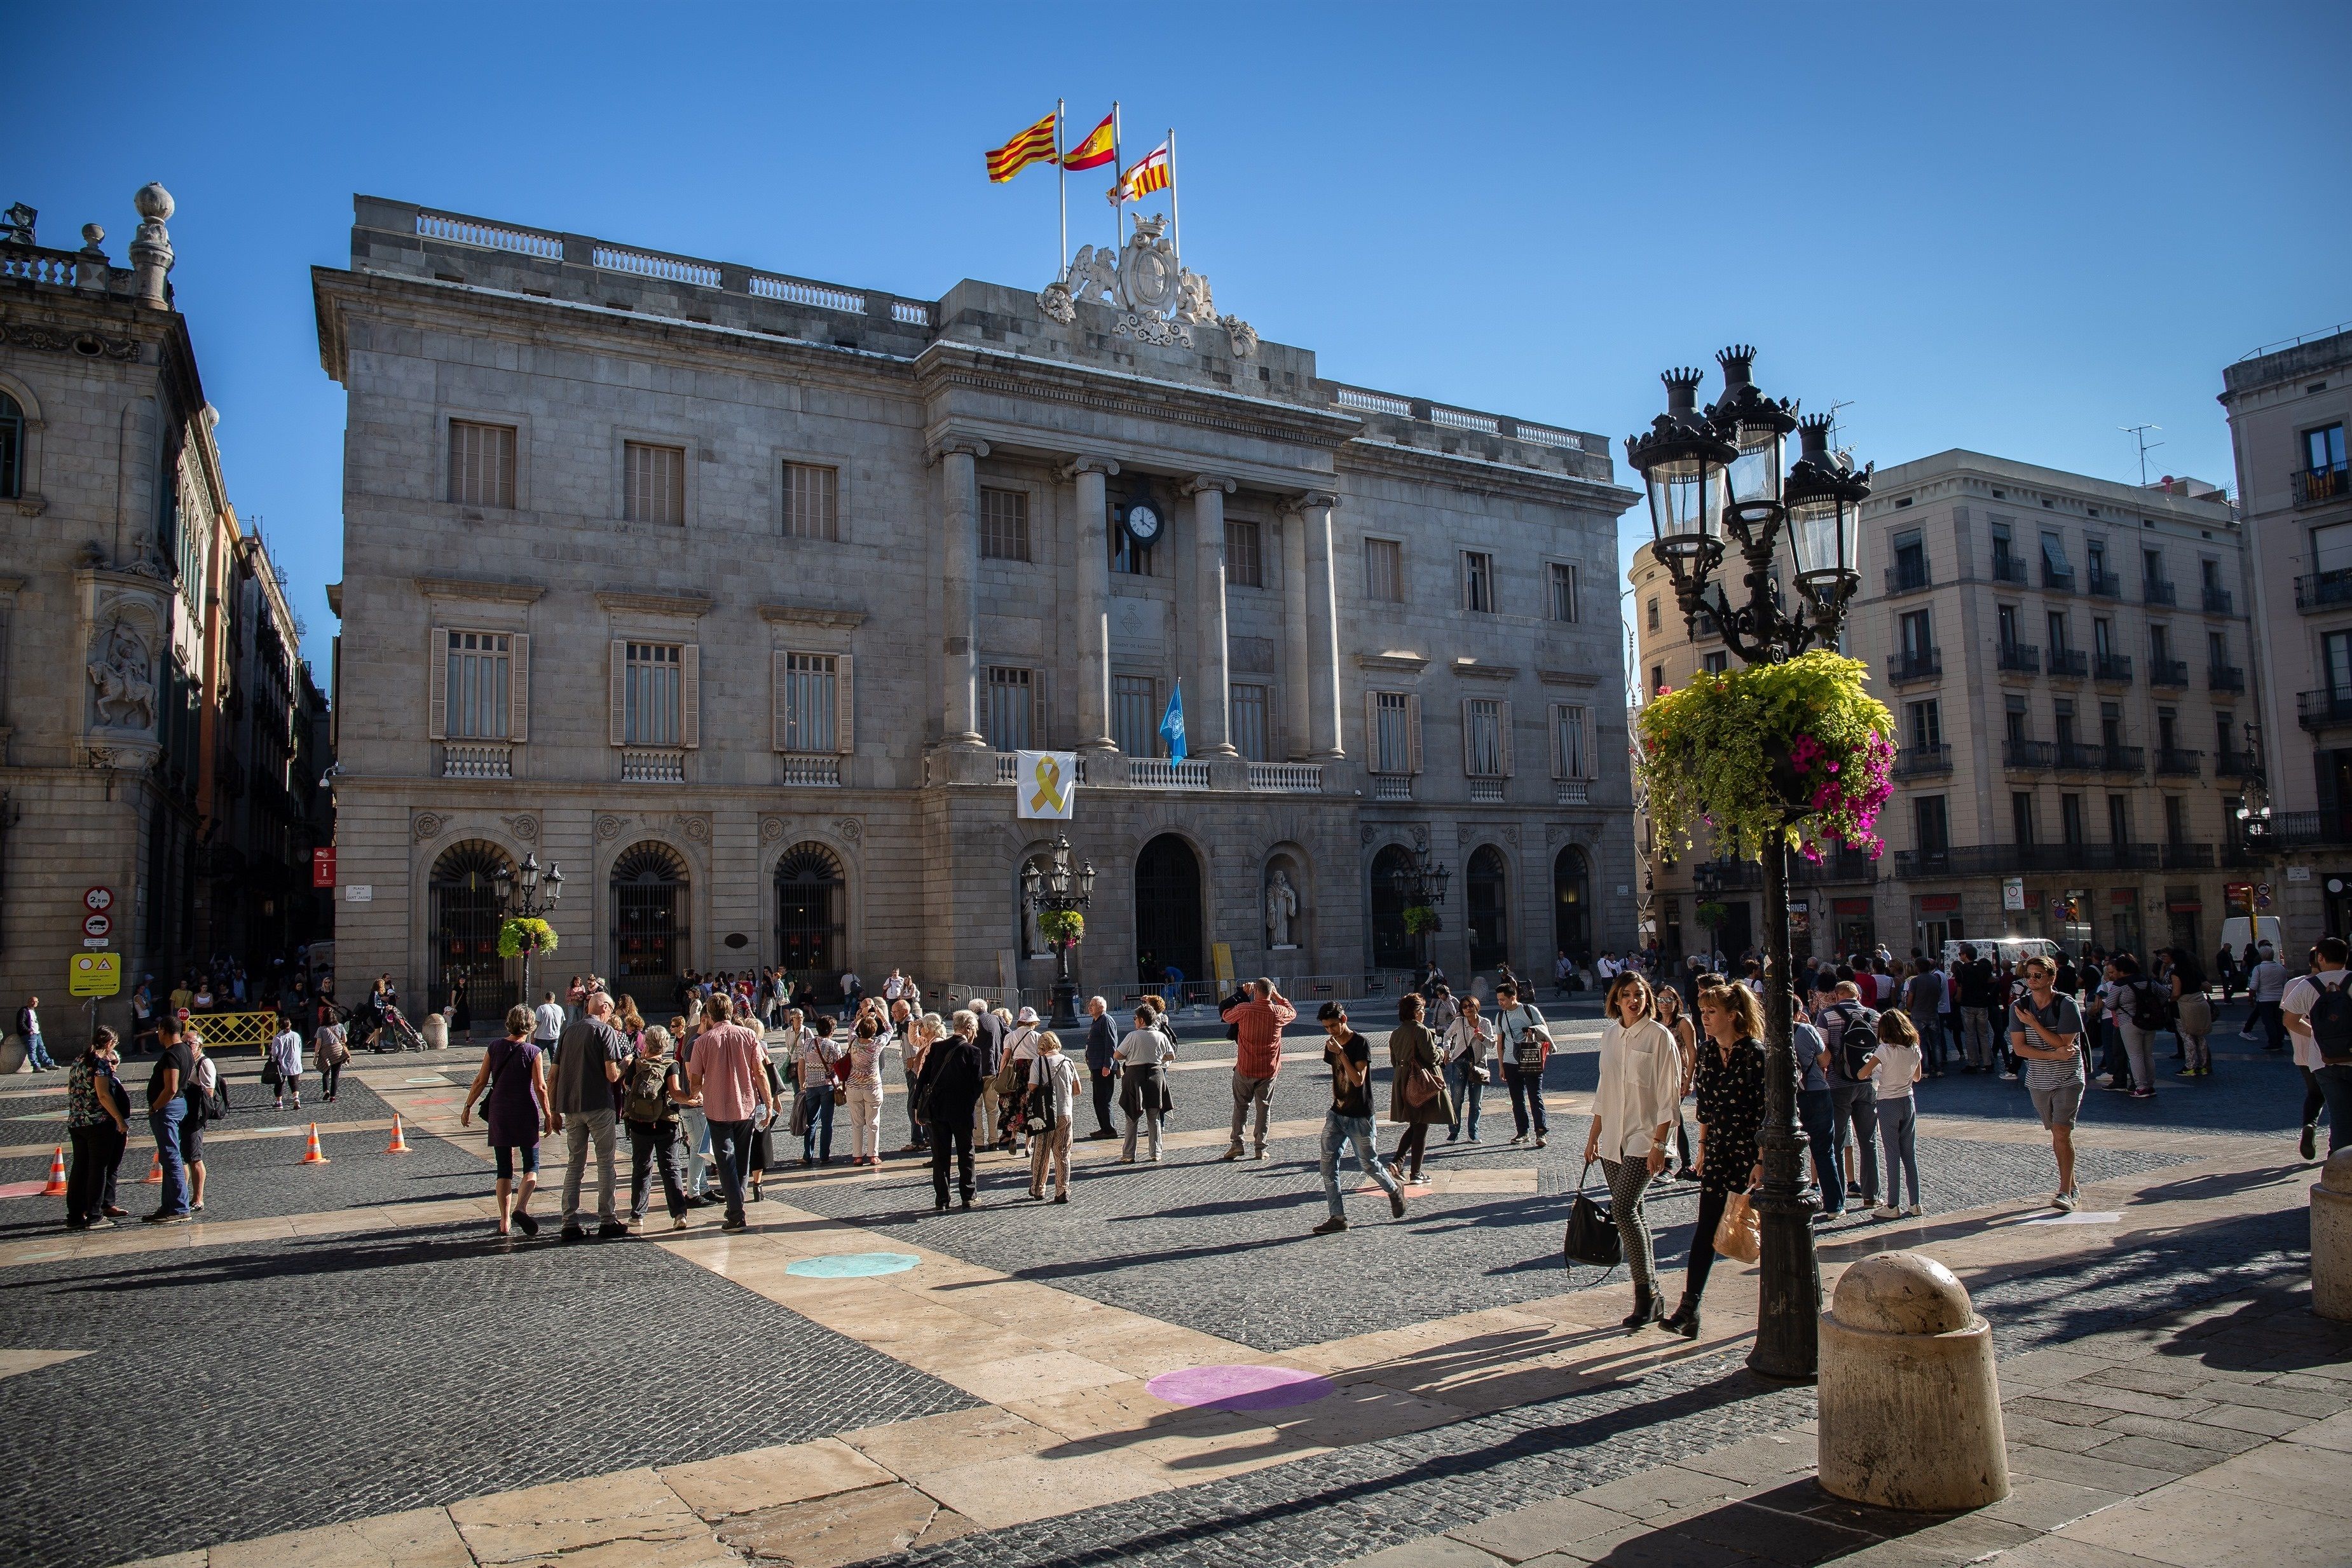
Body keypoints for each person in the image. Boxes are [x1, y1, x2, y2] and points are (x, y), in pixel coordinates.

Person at [1658, 984, 1767, 1339]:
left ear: (1732, 1015)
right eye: (1702, 1012)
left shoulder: (1755, 1054)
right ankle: (1690, 1308)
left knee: (1762, 1231)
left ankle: (1785, 1304)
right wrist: (1702, 1147)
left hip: (1750, 1153)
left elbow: (1768, 1110)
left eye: (1711, 1013)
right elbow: (1704, 1103)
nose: (1704, 1019)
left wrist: (1762, 1158)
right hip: (1720, 1150)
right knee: (1706, 1229)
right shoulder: (1706, 1052)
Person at [1584, 973, 1683, 1329]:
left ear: (1647, 999)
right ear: (1616, 998)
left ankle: (1645, 1295)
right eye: (1625, 994)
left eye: (1639, 994)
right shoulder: (1611, 1034)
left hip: (1645, 1137)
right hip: (1613, 1134)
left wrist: (1660, 1144)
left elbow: (1669, 1096)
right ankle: (1652, 1294)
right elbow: (1603, 1087)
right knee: (1634, 1212)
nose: (1633, 1000)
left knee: (1623, 1208)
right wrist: (1594, 1135)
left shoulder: (1660, 1037)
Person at [1311, 1002, 1407, 1234]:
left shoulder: (1360, 1043)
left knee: (1369, 1164)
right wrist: (1335, 1052)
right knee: (1327, 1167)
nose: (1331, 1031)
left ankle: (1394, 1189)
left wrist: (1341, 1054)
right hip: (1337, 1114)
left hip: (1360, 1117)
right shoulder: (1331, 1046)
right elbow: (1338, 1078)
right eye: (1326, 1027)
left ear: (1344, 1019)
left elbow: (1357, 1080)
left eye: (1334, 1025)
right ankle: (1338, 1217)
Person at [461, 1004, 553, 1236]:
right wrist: (549, 1115)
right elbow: (541, 1087)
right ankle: (521, 1208)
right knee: (531, 1165)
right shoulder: (533, 1052)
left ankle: (504, 1222)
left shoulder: (494, 1047)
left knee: (504, 1169)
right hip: (525, 1111)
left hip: (499, 1111)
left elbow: (480, 1081)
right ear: (531, 1026)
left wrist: (468, 1106)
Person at [686, 992, 774, 1232]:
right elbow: (760, 1073)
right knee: (742, 1162)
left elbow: (694, 1083)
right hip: (745, 1106)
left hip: (716, 1109)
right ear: (731, 1012)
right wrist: (768, 1104)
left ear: (709, 1015)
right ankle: (736, 1209)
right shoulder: (748, 1035)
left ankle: (736, 1213)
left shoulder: (701, 1042)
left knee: (725, 1162)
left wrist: (702, 1088)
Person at [2009, 955, 2088, 1211]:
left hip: (2068, 1078)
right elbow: (2020, 1049)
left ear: (2052, 977)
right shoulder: (2019, 1006)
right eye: (2028, 975)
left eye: (2037, 976)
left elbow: (2065, 1043)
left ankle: (2065, 1192)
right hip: (2038, 1080)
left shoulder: (2066, 1004)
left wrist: (2033, 1024)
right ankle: (2072, 1185)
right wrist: (2053, 1053)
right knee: (2056, 1133)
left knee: (2063, 1132)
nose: (2031, 980)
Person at [552, 992, 632, 1240]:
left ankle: (569, 1222)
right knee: (605, 1163)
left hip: (572, 1108)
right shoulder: (605, 1031)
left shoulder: (568, 1032)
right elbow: (611, 1075)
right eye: (611, 1009)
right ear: (605, 1008)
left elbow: (553, 1074)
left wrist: (552, 1110)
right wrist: (626, 1064)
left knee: (575, 1164)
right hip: (599, 1105)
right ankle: (607, 1220)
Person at [2283, 937, 2352, 1157]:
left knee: (2339, 1115)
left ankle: (2338, 1164)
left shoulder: (2307, 986)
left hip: (2323, 1060)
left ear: (2320, 958)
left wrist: (2316, 1034)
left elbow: (2290, 1021)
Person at [621, 1023, 694, 1230]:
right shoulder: (671, 1065)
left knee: (641, 1168)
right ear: (665, 1044)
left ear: (647, 1043)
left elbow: (627, 1086)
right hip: (666, 1123)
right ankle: (679, 1214)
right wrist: (691, 1100)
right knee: (671, 1167)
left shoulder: (637, 1065)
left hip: (640, 1124)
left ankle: (637, 1215)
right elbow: (676, 1092)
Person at [1816, 981, 1880, 1211]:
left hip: (1837, 1083)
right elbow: (1881, 1050)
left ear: (1837, 996)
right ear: (1858, 996)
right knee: (1868, 1141)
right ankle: (1871, 1196)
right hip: (1866, 1082)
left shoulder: (1827, 1015)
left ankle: (1838, 1198)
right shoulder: (1874, 1016)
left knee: (1836, 1142)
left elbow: (1822, 1051)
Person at [1220, 978, 1297, 1161]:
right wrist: (1278, 997)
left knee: (1241, 1106)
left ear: (1256, 991)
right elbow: (1293, 1013)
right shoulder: (1278, 1012)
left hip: (1246, 1067)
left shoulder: (1245, 1009)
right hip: (1268, 1069)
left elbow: (1226, 1015)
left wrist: (1243, 995)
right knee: (1264, 1108)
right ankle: (1260, 1148)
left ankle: (1237, 1144)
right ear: (1271, 992)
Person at [917, 1010, 985, 1211]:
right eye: (976, 1030)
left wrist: (917, 1107)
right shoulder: (972, 1051)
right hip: (962, 1112)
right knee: (966, 1153)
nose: (976, 1034)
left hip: (938, 1110)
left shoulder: (937, 1047)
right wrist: (969, 1103)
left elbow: (922, 1079)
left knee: (940, 1156)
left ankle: (942, 1199)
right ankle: (968, 1196)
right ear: (969, 1028)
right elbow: (977, 1085)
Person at [65, 1027, 130, 1229]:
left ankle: (75, 1215)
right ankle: (95, 1215)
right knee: (97, 1168)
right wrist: (119, 1119)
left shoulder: (78, 1061)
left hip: (77, 1121)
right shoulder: (100, 1063)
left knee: (79, 1168)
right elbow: (103, 1095)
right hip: (97, 1122)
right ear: (110, 1043)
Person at [1385, 993, 1453, 1184]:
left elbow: (1393, 1061)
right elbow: (1432, 1057)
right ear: (1415, 1012)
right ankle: (1415, 1172)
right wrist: (1441, 1051)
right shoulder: (1421, 1030)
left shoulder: (1396, 1033)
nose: (1424, 1014)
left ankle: (1399, 1162)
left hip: (1403, 1080)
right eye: (1422, 1010)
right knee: (1421, 1126)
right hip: (1420, 1082)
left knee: (1416, 1124)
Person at [1866, 1009, 1925, 1220]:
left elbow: (1862, 1073)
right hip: (1908, 1101)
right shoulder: (1914, 1048)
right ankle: (1915, 1203)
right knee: (1909, 1154)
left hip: (1887, 1102)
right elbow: (1917, 1077)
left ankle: (1892, 1205)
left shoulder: (1884, 1050)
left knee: (1892, 1153)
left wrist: (1876, 1070)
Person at [1796, 983, 1840, 1220]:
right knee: (1824, 1151)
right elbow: (1825, 1060)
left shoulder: (1766, 1032)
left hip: (1789, 1098)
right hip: (1816, 1092)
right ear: (1797, 1012)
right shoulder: (1806, 1030)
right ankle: (1834, 1205)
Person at [1493, 981, 1552, 1149]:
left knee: (1535, 1096)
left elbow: (1544, 1029)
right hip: (1510, 1061)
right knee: (1517, 1099)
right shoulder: (1500, 1016)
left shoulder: (1529, 1010)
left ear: (1513, 997)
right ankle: (1523, 1132)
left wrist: (1533, 1029)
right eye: (1498, 1000)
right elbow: (1500, 1043)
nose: (1500, 1003)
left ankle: (1540, 1132)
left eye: (1503, 999)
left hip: (1531, 1058)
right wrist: (1501, 1065)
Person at [1116, 1005, 1175, 1163]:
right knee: (1154, 1118)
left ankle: (1129, 1154)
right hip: (1156, 1076)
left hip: (1134, 1076)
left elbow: (1118, 1055)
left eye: (1135, 1018)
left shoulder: (1133, 1036)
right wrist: (1156, 1059)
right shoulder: (1160, 1036)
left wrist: (1134, 1056)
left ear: (1141, 1020)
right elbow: (1171, 1056)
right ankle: (1156, 1152)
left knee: (1131, 1117)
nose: (1134, 1021)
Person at [1026, 1030, 1079, 1203]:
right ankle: (1062, 1190)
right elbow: (1077, 1089)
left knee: (1041, 1152)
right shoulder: (1068, 1061)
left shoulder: (1038, 1062)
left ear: (1042, 1046)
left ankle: (1038, 1188)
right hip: (1065, 1112)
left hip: (1045, 1115)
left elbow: (1033, 1086)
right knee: (1062, 1152)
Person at [1655, 985, 1701, 1179]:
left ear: (1676, 1002)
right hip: (1658, 1076)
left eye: (1669, 1000)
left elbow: (1692, 1051)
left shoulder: (1683, 1023)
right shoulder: (1654, 1022)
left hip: (1677, 1075)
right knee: (1671, 1117)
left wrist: (1689, 1078)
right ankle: (1675, 1162)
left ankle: (1674, 1164)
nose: (1665, 1004)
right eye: (1661, 1000)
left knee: (1673, 1117)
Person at [2109, 953, 2166, 1101]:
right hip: (2148, 1021)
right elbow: (2166, 994)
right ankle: (2150, 1085)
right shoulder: (2147, 981)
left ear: (2121, 969)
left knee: (2135, 1056)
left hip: (2128, 1022)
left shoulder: (2119, 985)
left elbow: (2110, 1004)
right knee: (2148, 1055)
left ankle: (2141, 1087)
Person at [1442, 992, 1495, 1144]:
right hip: (1460, 1063)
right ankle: (1453, 1131)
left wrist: (1483, 1038)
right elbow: (1447, 1036)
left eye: (1470, 1005)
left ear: (1476, 1006)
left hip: (1478, 1065)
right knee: (1456, 1099)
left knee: (1476, 1101)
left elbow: (1492, 1044)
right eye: (1464, 1007)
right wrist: (1447, 1050)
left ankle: (1473, 1132)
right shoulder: (1459, 1022)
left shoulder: (1485, 1023)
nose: (1468, 1009)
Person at [790, 1015, 842, 1167]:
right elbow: (838, 1068)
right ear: (832, 1031)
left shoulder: (807, 1044)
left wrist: (802, 1084)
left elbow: (800, 1066)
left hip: (811, 1086)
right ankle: (824, 1156)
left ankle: (808, 1155)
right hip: (828, 1086)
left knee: (811, 1122)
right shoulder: (834, 1046)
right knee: (827, 1123)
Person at [843, 1016, 891, 1166]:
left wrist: (858, 1018)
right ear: (874, 1031)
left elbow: (850, 1028)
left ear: (860, 1030)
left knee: (857, 1123)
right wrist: (881, 1016)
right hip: (872, 1087)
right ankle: (873, 1155)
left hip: (854, 1087)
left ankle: (857, 1156)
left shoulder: (854, 1042)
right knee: (873, 1122)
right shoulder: (877, 1044)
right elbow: (890, 1030)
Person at [2170, 950, 2214, 1078]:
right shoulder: (2195, 971)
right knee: (2200, 1035)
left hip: (2185, 1005)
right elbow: (2207, 986)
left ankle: (2190, 1066)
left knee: (2187, 1036)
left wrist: (2169, 1000)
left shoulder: (2177, 973)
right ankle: (2203, 1066)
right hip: (2200, 1002)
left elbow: (2176, 993)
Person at [1083, 995, 1119, 1141]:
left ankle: (1110, 1129)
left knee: (1104, 1100)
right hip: (1096, 1067)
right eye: (1090, 1005)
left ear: (1101, 1007)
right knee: (1097, 1100)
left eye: (1093, 1005)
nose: (1090, 1007)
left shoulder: (1106, 1020)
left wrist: (1107, 1065)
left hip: (1103, 1067)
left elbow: (1111, 1044)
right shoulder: (1096, 1020)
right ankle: (1104, 1127)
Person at [1904, 958, 1946, 1079]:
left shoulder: (1915, 981)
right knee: (1936, 1042)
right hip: (1933, 1013)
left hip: (1918, 1015)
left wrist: (1910, 1008)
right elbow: (1938, 995)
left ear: (1918, 968)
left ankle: (1925, 1069)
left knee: (1921, 1043)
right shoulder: (1935, 978)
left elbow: (1910, 999)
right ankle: (1939, 1068)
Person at [2247, 946, 2291, 1053]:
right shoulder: (2281, 968)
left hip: (2264, 999)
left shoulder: (2258, 969)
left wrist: (2251, 999)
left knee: (2269, 1022)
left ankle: (2273, 1043)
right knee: (2279, 1021)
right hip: (2279, 998)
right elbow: (2285, 984)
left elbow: (2253, 986)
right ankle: (2279, 1042)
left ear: (2262, 956)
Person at [266, 1016, 304, 1112]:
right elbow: (300, 1049)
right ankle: (296, 1098)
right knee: (294, 1082)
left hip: (282, 1063)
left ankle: (279, 1102)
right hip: (295, 1062)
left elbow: (275, 1052)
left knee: (279, 1083)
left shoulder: (278, 1038)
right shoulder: (296, 1035)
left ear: (279, 1026)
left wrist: (273, 1057)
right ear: (290, 1025)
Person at [313, 1011, 349, 1103]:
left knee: (325, 1072)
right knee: (335, 1076)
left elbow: (319, 1043)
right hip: (338, 1052)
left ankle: (326, 1091)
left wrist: (316, 1055)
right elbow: (345, 1039)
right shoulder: (340, 1026)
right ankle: (333, 1097)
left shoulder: (321, 1029)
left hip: (326, 1053)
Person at [15, 995, 55, 1072]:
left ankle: (49, 1064)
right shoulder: (24, 1010)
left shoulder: (34, 1011)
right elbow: (21, 1023)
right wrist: (29, 1031)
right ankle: (36, 1066)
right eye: (33, 1001)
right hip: (30, 1034)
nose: (34, 1003)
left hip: (37, 1033)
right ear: (28, 1002)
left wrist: (38, 1030)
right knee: (32, 1050)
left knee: (42, 1049)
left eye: (36, 1002)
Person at [532, 989, 566, 1065]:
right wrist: (557, 1029)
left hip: (541, 1036)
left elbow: (537, 1022)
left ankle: (537, 1074)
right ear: (553, 999)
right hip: (554, 1037)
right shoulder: (559, 1008)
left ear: (545, 999)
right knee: (554, 1059)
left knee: (537, 1057)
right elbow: (562, 1020)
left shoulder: (541, 1008)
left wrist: (532, 1034)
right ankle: (554, 1076)